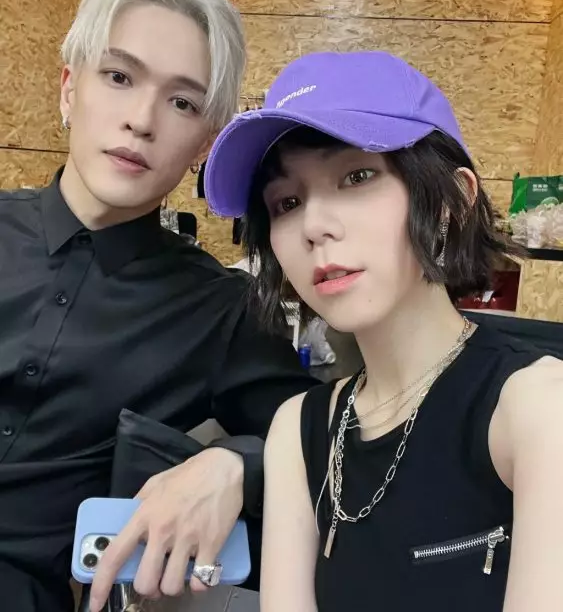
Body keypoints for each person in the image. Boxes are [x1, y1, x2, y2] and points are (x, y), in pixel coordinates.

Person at [0, 0, 318, 612]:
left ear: (203, 144)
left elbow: (319, 437)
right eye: (118, 77)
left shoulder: (222, 311)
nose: (141, 120)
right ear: (68, 90)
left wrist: (237, 464)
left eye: (182, 102)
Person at [203, 50, 563, 611]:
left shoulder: (536, 408)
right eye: (287, 202)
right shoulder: (298, 430)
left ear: (451, 202)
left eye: (357, 176)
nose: (314, 226)